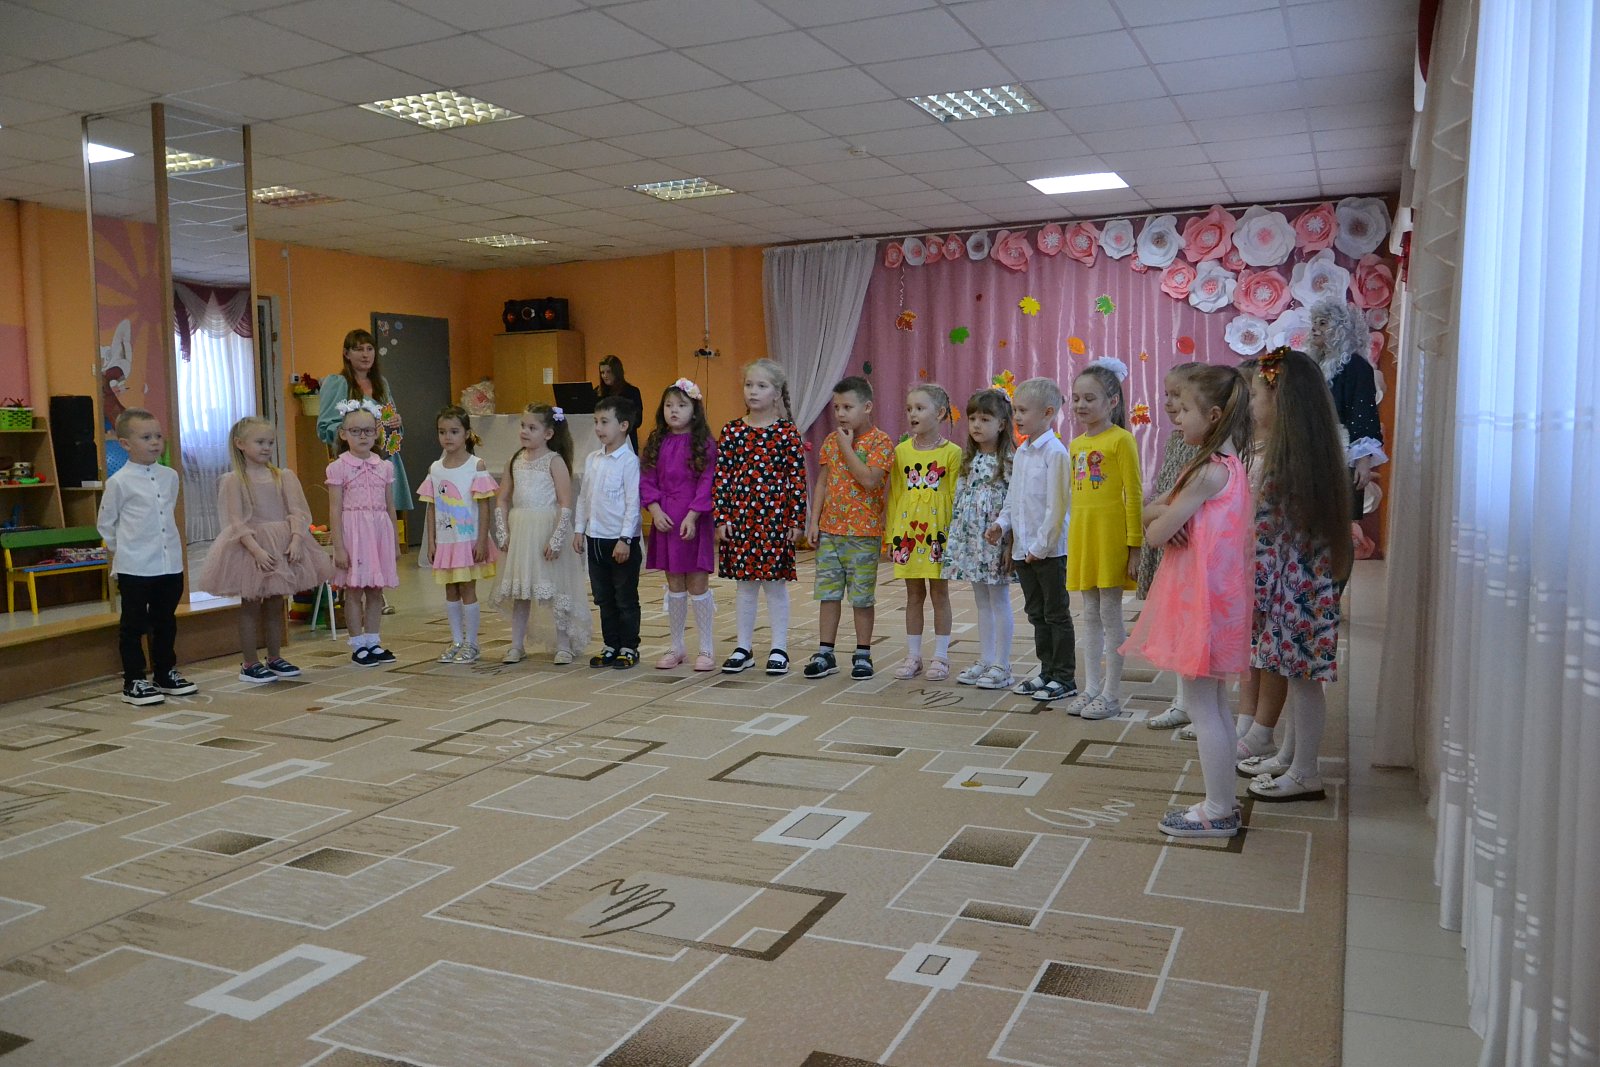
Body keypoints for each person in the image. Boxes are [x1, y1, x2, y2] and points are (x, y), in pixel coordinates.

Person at [1122, 364, 1255, 838]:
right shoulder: (1229, 466)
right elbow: (1152, 513)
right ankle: (1223, 801)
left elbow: (1154, 531)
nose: (1176, 418)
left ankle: (1218, 809)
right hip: (1216, 601)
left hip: (1200, 604)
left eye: (1185, 411)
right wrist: (1164, 516)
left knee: (1203, 706)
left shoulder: (1206, 472)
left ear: (1214, 415)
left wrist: (1162, 519)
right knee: (1213, 703)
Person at [1239, 348, 1354, 803]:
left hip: (1296, 590)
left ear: (1280, 400)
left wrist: (1254, 594)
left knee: (1304, 683)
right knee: (1296, 675)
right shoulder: (1306, 457)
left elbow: (1267, 539)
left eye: (1255, 395)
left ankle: (1306, 772)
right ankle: (1290, 756)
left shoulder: (1286, 465)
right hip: (1300, 586)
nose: (1251, 405)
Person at [198, 416, 334, 684]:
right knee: (250, 605)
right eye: (260, 442)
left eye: (270, 443)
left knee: (276, 604)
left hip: (281, 545)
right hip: (251, 548)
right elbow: (235, 522)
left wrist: (296, 539)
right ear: (240, 444)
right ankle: (249, 663)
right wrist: (256, 551)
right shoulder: (234, 480)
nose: (266, 447)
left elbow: (297, 511)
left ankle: (274, 657)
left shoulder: (282, 476)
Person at [713, 358, 807, 676]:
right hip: (741, 520)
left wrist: (796, 520)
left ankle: (779, 648)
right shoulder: (732, 431)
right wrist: (722, 516)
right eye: (749, 385)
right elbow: (722, 477)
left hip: (775, 521)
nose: (753, 391)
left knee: (775, 585)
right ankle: (743, 647)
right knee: (745, 586)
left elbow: (797, 479)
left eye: (761, 386)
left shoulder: (787, 433)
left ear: (776, 392)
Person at [98, 408, 197, 706]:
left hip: (169, 564)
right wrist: (124, 552)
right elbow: (106, 523)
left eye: (158, 436)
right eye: (146, 437)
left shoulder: (170, 476)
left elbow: (167, 514)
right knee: (133, 624)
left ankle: (165, 673)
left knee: (165, 621)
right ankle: (134, 680)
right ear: (125, 444)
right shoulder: (119, 482)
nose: (155, 442)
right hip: (135, 567)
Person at [1064, 358, 1143, 721]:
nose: (1080, 405)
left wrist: (1134, 546)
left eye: (1089, 398)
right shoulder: (1075, 444)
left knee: (1110, 616)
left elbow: (1134, 495)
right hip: (1083, 537)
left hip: (1111, 538)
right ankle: (1091, 688)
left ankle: (1111, 693)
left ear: (1112, 401)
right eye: (1076, 398)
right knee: (1089, 615)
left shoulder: (1122, 440)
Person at [988, 378, 1075, 703]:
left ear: (1048, 413)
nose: (1017, 417)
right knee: (1036, 613)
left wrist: (1041, 546)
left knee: (1056, 614)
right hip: (1025, 550)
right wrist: (1001, 524)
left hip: (1048, 552)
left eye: (1023, 411)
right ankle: (1046, 671)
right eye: (1015, 410)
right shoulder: (1022, 452)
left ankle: (1064, 677)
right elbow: (1014, 497)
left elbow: (1058, 507)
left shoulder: (1056, 453)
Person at [802, 376, 893, 681]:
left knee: (862, 598)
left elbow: (869, 480)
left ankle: (863, 654)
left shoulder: (880, 442)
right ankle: (825, 652)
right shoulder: (831, 440)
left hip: (863, 534)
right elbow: (822, 482)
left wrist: (846, 446)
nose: (840, 414)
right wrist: (814, 521)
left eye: (847, 407)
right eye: (837, 407)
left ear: (867, 407)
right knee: (828, 594)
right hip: (830, 531)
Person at [318, 330, 412, 604]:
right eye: (358, 349)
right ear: (346, 353)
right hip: (353, 465)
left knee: (382, 515)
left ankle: (377, 587)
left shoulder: (381, 383)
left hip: (382, 458)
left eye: (369, 348)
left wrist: (394, 424)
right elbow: (325, 426)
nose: (365, 354)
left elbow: (391, 421)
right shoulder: (337, 383)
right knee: (358, 524)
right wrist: (355, 429)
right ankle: (354, 588)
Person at [492, 404, 591, 665]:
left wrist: (556, 538)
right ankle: (516, 645)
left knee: (556, 589)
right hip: (521, 532)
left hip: (546, 530)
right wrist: (502, 530)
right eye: (523, 426)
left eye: (532, 427)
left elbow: (565, 503)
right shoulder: (514, 461)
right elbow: (502, 498)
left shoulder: (554, 461)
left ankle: (563, 644)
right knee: (521, 590)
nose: (524, 431)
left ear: (548, 433)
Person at [1138, 362, 1203, 730]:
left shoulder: (1209, 446)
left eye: (1177, 395)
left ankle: (1197, 704)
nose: (1168, 402)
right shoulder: (1177, 438)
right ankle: (1183, 702)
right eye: (1167, 394)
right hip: (1169, 537)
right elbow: (1166, 490)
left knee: (1194, 627)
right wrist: (1159, 518)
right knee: (1177, 624)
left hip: (1191, 543)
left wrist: (1175, 519)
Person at [886, 383, 963, 681]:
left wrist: (955, 538)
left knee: (940, 593)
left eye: (920, 408)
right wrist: (892, 536)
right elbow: (895, 496)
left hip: (938, 536)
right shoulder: (901, 452)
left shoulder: (952, 453)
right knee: (913, 594)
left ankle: (941, 656)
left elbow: (956, 498)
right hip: (908, 535)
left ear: (940, 413)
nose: (912, 414)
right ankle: (913, 655)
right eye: (909, 409)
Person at [641, 378, 718, 671]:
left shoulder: (705, 444)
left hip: (693, 520)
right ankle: (677, 646)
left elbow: (708, 481)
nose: (673, 410)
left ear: (694, 411)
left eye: (681, 405)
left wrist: (693, 515)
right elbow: (646, 480)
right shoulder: (656, 443)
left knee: (697, 582)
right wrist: (655, 509)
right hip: (666, 520)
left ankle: (706, 648)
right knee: (674, 582)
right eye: (668, 405)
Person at [944, 388, 1018, 690]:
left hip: (995, 541)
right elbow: (961, 496)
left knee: (998, 600)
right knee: (981, 601)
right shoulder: (969, 458)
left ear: (1002, 424)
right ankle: (986, 659)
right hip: (972, 541)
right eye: (973, 418)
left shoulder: (1009, 460)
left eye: (985, 419)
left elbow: (1015, 503)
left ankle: (1003, 664)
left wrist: (1011, 543)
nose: (976, 424)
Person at [417, 406, 497, 665]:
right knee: (450, 589)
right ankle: (456, 641)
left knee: (467, 587)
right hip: (446, 541)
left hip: (468, 540)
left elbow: (484, 506)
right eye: (442, 432)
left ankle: (472, 643)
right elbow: (432, 507)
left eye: (454, 431)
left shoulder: (476, 465)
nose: (447, 437)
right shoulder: (435, 468)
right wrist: (432, 541)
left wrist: (482, 539)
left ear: (466, 434)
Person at [326, 400, 399, 665]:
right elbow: (335, 509)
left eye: (368, 431)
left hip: (378, 534)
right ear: (343, 434)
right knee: (354, 590)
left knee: (376, 590)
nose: (362, 436)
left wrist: (395, 542)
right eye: (355, 431)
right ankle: (358, 645)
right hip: (354, 535)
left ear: (377, 432)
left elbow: (390, 507)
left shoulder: (385, 467)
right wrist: (339, 547)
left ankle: (373, 641)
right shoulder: (338, 467)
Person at [575, 395, 643, 669]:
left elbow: (633, 503)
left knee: (624, 598)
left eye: (604, 422)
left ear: (623, 425)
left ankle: (628, 647)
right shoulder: (592, 459)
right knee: (603, 598)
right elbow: (583, 497)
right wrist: (579, 529)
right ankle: (610, 645)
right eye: (596, 422)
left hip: (620, 541)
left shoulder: (629, 461)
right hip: (595, 539)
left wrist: (625, 538)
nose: (598, 428)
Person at [1306, 299, 1386, 518]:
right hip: (1312, 448)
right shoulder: (1313, 365)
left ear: (1341, 329)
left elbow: (1364, 413)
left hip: (1340, 450)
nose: (1315, 328)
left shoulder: (1357, 367)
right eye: (1314, 322)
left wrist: (1363, 460)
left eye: (1323, 323)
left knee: (1336, 517)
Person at [597, 354, 645, 455]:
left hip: (626, 442)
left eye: (608, 372)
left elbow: (638, 420)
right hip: (601, 444)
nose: (605, 376)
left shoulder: (631, 392)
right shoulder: (597, 393)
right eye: (602, 372)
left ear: (617, 372)